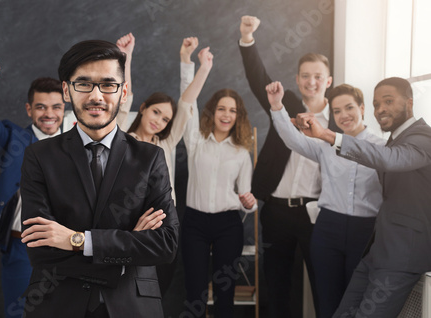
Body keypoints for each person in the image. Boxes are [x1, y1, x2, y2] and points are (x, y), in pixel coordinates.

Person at [20, 39, 179, 318]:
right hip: (58, 304)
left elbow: (166, 244)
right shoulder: (39, 156)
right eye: (84, 84)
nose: (96, 96)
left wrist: (77, 240)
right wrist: (129, 243)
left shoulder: (150, 158)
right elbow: (40, 250)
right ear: (67, 91)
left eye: (108, 84)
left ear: (123, 91)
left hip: (133, 305)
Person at [293, 77, 431, 317]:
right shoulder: (396, 139)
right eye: (376, 104)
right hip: (377, 252)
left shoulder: (423, 138)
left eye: (388, 101)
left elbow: (390, 159)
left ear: (409, 103)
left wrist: (329, 135)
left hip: (402, 258)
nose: (380, 110)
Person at [238, 15, 341, 316]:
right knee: (277, 287)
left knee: (324, 285)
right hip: (276, 211)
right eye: (305, 76)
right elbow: (259, 78)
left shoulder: (338, 121)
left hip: (317, 213)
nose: (311, 82)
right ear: (297, 80)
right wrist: (247, 37)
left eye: (318, 76)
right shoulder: (286, 105)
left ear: (328, 81)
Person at [266, 81, 384, 317]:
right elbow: (292, 139)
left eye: (349, 107)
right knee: (327, 302)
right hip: (328, 230)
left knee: (358, 303)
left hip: (366, 232)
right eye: (337, 111)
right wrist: (277, 106)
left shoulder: (382, 146)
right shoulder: (325, 146)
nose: (343, 115)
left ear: (362, 108)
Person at [0, 53, 65, 318]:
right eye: (41, 107)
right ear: (29, 109)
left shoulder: (76, 147)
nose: (49, 114)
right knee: (19, 314)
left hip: (66, 250)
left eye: (56, 107)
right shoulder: (14, 140)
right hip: (21, 247)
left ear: (64, 109)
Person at [116, 34, 213, 295]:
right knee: (126, 287)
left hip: (163, 221)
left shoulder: (166, 144)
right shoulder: (123, 137)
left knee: (159, 286)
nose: (159, 121)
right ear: (144, 108)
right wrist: (126, 57)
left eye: (165, 119)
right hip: (127, 219)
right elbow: (124, 99)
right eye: (156, 112)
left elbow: (186, 102)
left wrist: (203, 67)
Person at [181, 44, 257, 318]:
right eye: (222, 109)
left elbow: (247, 199)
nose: (226, 115)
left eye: (233, 111)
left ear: (238, 116)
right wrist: (190, 64)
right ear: (212, 111)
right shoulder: (195, 141)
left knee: (226, 292)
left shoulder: (241, 153)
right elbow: (187, 101)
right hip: (195, 223)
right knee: (195, 290)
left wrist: (250, 203)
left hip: (228, 224)